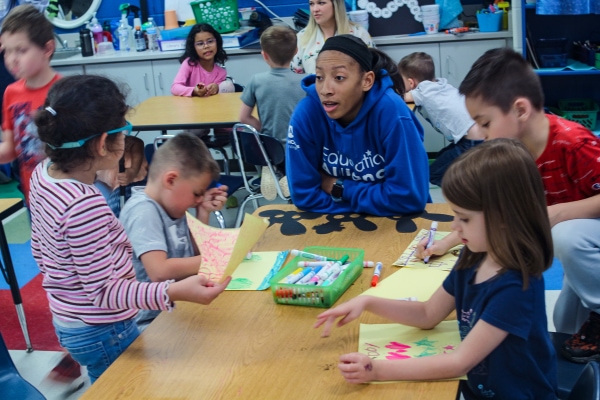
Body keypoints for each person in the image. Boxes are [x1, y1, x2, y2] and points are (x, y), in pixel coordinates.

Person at [315, 138, 558, 399]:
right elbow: (428, 314)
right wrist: (368, 302)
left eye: (464, 218)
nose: (454, 226)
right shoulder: (473, 256)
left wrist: (378, 370)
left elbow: (459, 362)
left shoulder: (515, 287)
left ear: (504, 217)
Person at [29, 75, 231, 383]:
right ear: (101, 144)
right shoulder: (84, 205)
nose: (129, 139)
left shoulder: (42, 174)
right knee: (123, 388)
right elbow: (106, 293)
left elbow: (40, 250)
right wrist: (174, 291)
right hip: (103, 328)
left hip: (70, 320)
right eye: (125, 131)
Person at [457, 47, 600, 364]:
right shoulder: (513, 153)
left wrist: (559, 213)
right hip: (577, 240)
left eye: (485, 122)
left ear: (520, 110)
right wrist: (450, 239)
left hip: (581, 235)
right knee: (564, 328)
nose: (480, 135)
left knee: (567, 236)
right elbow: (494, 211)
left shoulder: (572, 142)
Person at [286, 35, 429, 216]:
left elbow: (409, 198)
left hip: (397, 223)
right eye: (320, 77)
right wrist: (377, 201)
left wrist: (339, 188)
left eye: (339, 77)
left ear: (366, 81)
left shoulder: (392, 112)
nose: (325, 89)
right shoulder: (306, 114)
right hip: (334, 225)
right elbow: (303, 196)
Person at [120, 133, 229, 331]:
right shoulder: (143, 211)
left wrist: (202, 211)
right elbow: (159, 272)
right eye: (196, 193)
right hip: (150, 324)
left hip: (178, 310)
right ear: (170, 180)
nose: (198, 199)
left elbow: (195, 255)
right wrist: (219, 258)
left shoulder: (172, 205)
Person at [0, 4, 60, 204]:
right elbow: (10, 150)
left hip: (67, 196)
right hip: (33, 197)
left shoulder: (65, 90)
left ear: (47, 49)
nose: (12, 60)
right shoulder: (11, 93)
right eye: (6, 51)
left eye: (21, 50)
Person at [239, 25, 305, 200]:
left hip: (270, 148)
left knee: (270, 151)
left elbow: (243, 117)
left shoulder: (256, 81)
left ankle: (272, 170)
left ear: (264, 55)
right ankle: (291, 179)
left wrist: (263, 129)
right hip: (299, 149)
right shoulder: (305, 82)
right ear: (296, 51)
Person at [398, 52, 484, 187]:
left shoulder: (423, 91)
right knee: (442, 157)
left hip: (471, 141)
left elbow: (402, 97)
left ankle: (466, 194)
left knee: (435, 173)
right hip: (477, 134)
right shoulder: (439, 84)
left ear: (411, 82)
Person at [290, 0, 374, 75]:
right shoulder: (302, 37)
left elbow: (373, 69)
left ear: (335, 4)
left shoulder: (358, 33)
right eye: (311, 4)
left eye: (321, 3)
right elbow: (294, 76)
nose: (315, 9)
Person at [171, 23, 234, 97]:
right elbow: (175, 88)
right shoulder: (189, 64)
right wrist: (194, 91)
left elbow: (218, 94)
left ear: (217, 42)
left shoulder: (221, 72)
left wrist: (216, 88)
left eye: (210, 41)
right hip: (190, 107)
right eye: (200, 44)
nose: (206, 46)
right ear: (193, 47)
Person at [95, 135, 148, 217]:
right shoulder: (92, 148)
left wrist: (132, 171)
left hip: (134, 185)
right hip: (111, 188)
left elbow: (136, 144)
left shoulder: (127, 142)